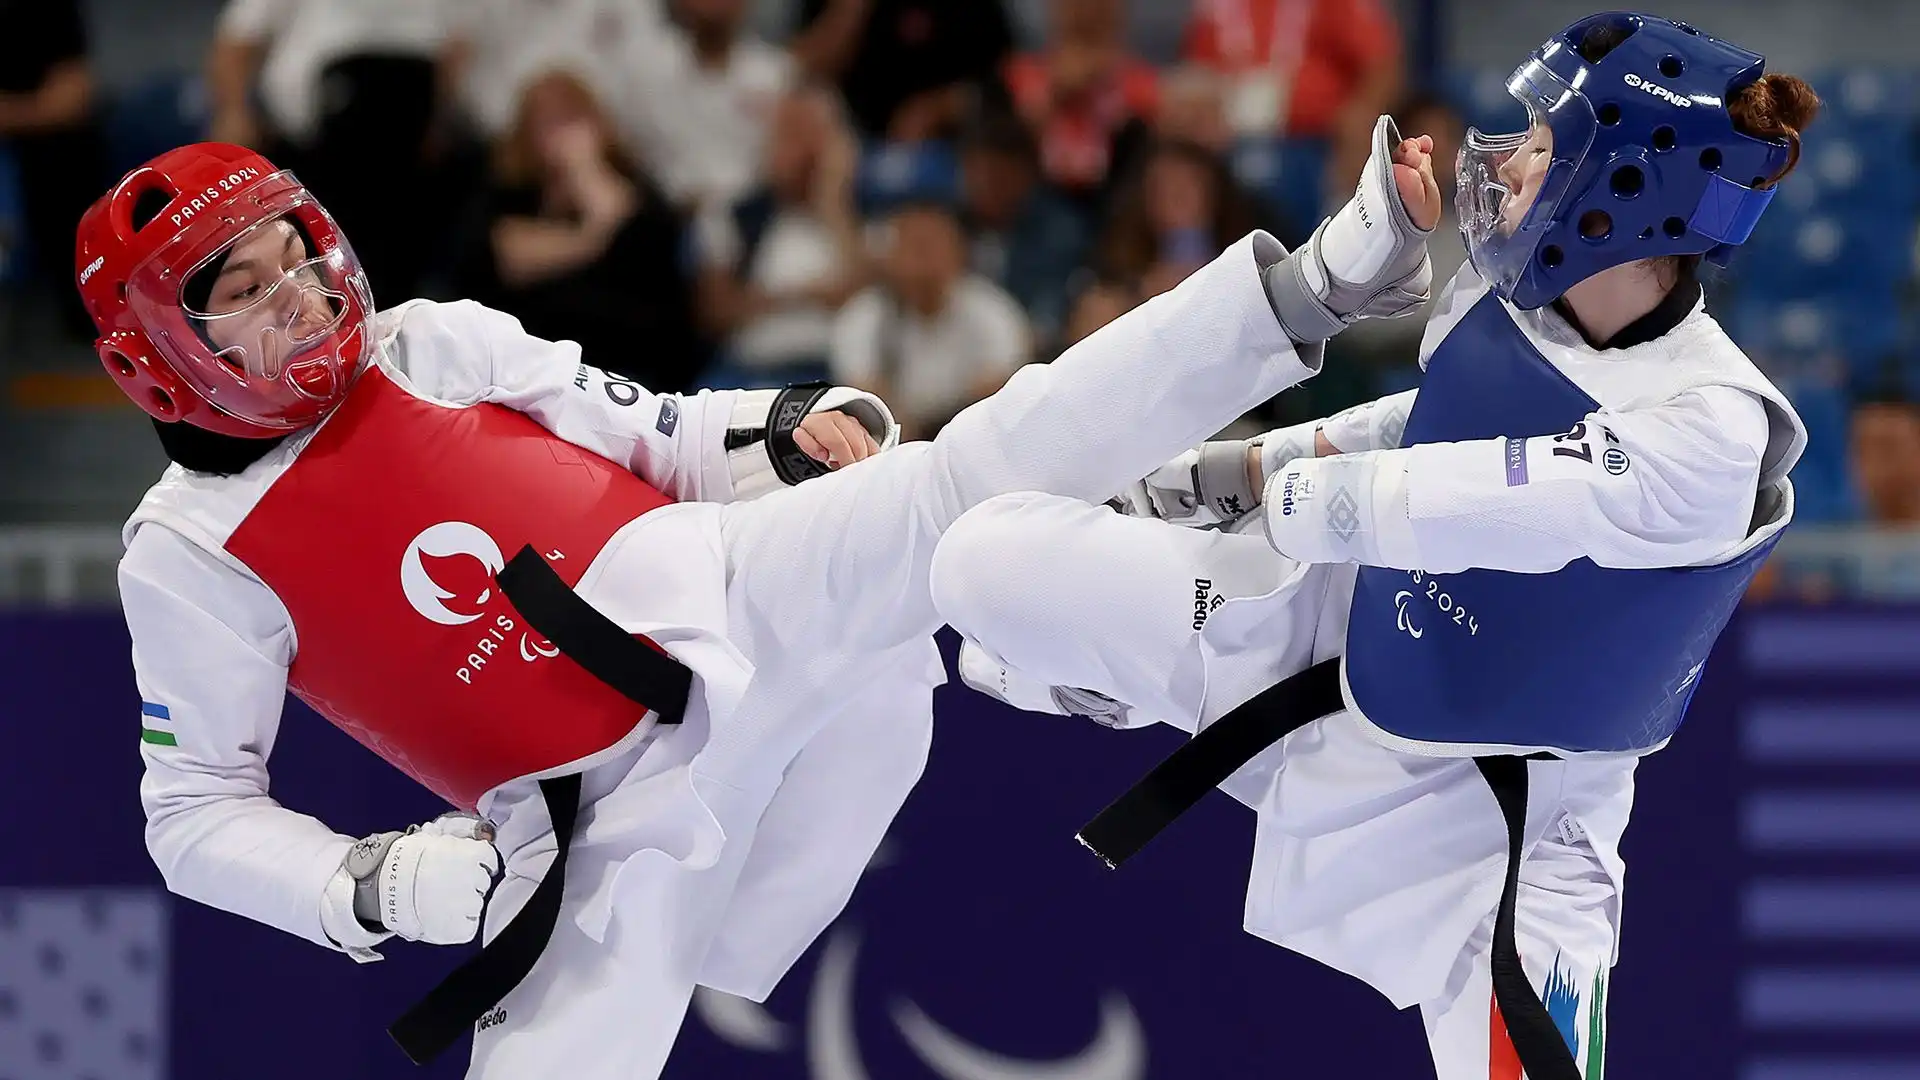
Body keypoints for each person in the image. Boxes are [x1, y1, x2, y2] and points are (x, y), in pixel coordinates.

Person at [78, 128, 1368, 1076]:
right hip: (590, 837)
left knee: (958, 480)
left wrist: (785, 428)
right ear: (154, 353)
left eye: (290, 249)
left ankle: (1299, 292)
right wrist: (369, 885)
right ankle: (1025, 629)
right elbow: (190, 817)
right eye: (238, 287)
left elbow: (663, 439)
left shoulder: (429, 342)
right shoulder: (187, 555)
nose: (297, 289)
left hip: (722, 597)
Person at [930, 14, 1816, 1079]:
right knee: (978, 571)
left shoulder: (1711, 426)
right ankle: (1108, 681)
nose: (1510, 158)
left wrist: (1292, 496)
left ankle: (1113, 672)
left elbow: (1483, 496)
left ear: (1624, 185)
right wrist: (1229, 475)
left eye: (1543, 143)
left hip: (1512, 820)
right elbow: (1428, 422)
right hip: (1323, 641)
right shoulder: (1501, 294)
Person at [453, 69, 704, 391]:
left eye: (570, 120)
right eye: (546, 121)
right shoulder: (508, 192)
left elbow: (639, 243)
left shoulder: (636, 190)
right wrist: (592, 237)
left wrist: (587, 174)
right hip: (528, 361)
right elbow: (511, 257)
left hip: (625, 361)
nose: (561, 135)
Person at [692, 84, 866, 389]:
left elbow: (866, 296)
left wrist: (833, 208)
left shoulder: (864, 212)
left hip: (833, 369)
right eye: (790, 134)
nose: (804, 150)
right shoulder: (735, 216)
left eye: (815, 134)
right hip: (746, 369)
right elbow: (717, 312)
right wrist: (804, 295)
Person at [831, 199, 1031, 440]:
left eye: (933, 246)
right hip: (890, 442)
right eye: (913, 247)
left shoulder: (992, 310)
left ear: (959, 252)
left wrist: (939, 429)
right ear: (889, 256)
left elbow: (1000, 386)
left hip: (970, 437)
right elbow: (863, 392)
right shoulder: (864, 315)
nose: (923, 261)